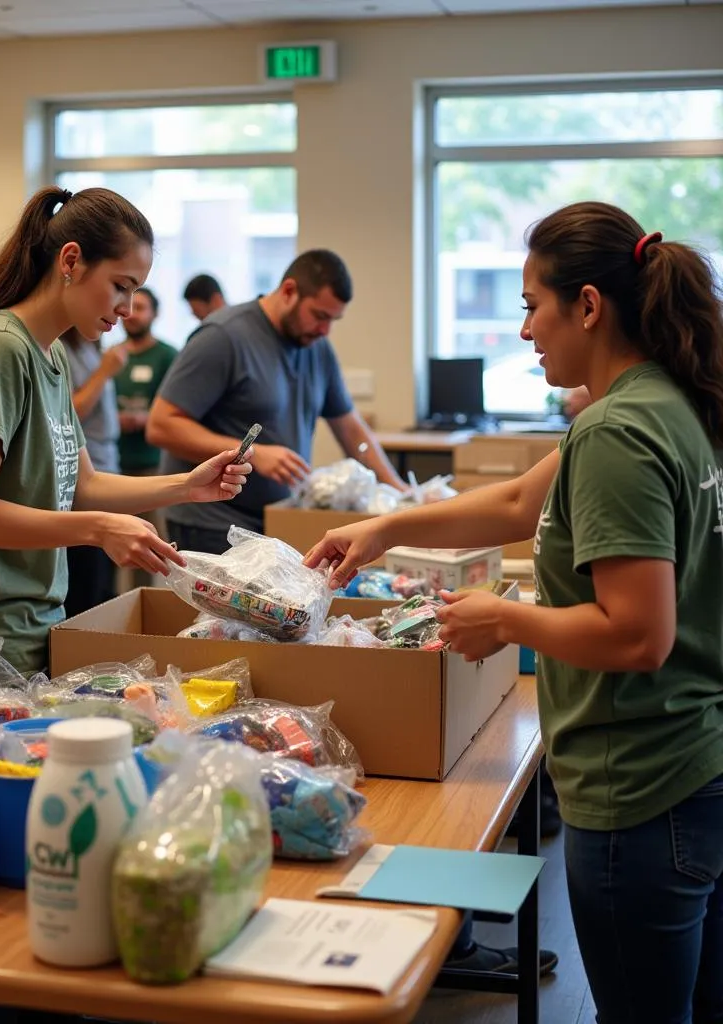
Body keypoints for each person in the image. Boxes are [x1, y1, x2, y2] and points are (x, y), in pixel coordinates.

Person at [305, 201, 723, 1020]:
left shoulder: (617, 430)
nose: (526, 330)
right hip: (698, 764)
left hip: (637, 783)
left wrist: (504, 619)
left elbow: (639, 633)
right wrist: (384, 527)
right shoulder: (673, 405)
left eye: (533, 304)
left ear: (589, 306)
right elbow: (512, 506)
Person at [0, 184, 250, 1024]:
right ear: (69, 262)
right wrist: (95, 528)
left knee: (7, 864)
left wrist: (181, 483)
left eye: (138, 292)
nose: (130, 309)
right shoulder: (2, 350)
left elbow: (75, 479)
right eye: (120, 287)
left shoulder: (53, 356)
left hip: (20, 640)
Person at [148, 249, 406, 555]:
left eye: (334, 320)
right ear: (288, 291)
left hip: (273, 522)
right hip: (213, 522)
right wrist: (254, 454)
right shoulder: (223, 337)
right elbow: (162, 426)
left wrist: (401, 494)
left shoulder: (317, 348)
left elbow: (352, 430)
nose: (326, 330)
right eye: (320, 316)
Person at [62, 326, 128, 616]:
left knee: (104, 584)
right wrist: (103, 372)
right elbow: (68, 414)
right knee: (86, 586)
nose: (124, 310)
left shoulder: (89, 346)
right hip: (84, 470)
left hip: (106, 463)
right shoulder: (60, 350)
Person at [114, 286, 177, 586]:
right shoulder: (112, 357)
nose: (133, 314)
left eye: (141, 308)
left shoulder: (167, 356)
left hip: (151, 467)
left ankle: (144, 605)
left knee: (149, 546)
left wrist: (146, 418)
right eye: (131, 307)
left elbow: (177, 407)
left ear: (155, 314)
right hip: (112, 467)